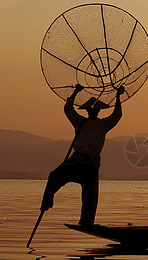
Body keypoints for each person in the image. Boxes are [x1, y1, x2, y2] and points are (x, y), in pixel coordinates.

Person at [40, 84, 125, 226]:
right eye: (91, 110)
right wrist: (75, 92)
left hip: (91, 164)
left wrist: (118, 96)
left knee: (90, 196)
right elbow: (68, 109)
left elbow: (117, 114)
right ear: (88, 111)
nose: (93, 111)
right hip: (77, 161)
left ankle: (86, 222)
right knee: (54, 176)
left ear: (97, 111)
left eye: (94, 110)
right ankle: (46, 204)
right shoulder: (81, 121)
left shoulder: (103, 124)